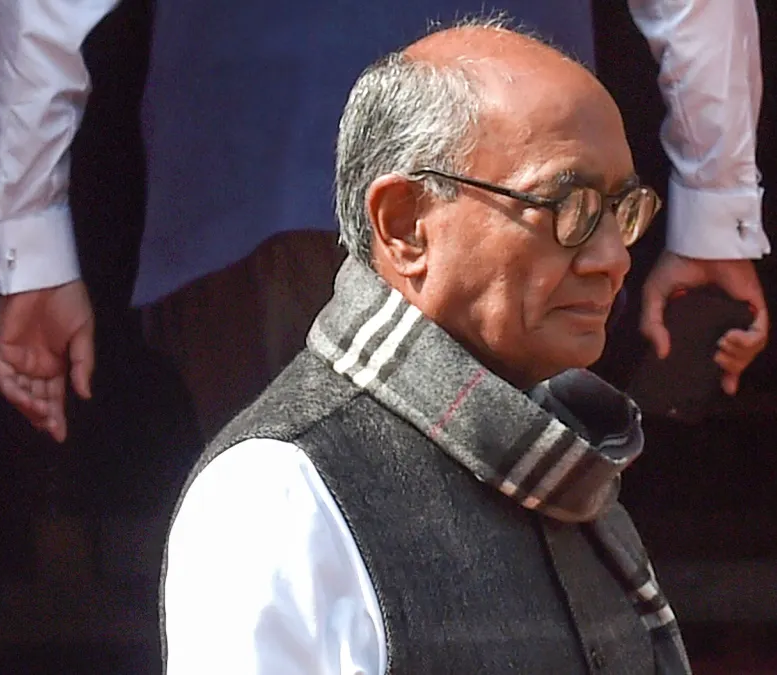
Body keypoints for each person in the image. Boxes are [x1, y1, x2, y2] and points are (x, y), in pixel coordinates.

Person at [0, 0, 770, 444]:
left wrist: (32, 241)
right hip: (514, 183)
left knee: (282, 543)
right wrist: (714, 209)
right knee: (505, 571)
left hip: (261, 163)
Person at [162, 20, 696, 672]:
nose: (612, 258)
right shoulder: (274, 494)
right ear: (405, 225)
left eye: (623, 210)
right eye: (568, 206)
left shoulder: (567, 462)